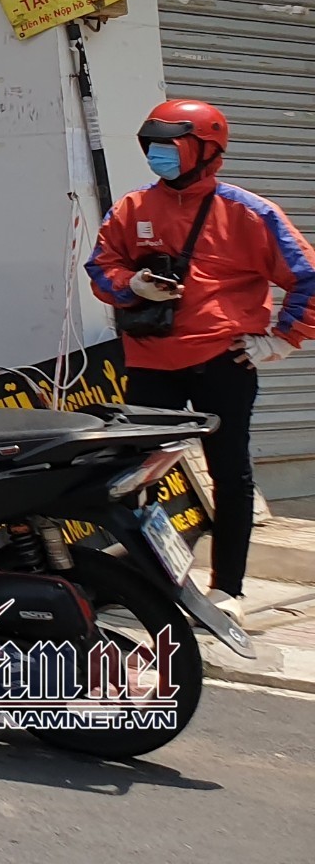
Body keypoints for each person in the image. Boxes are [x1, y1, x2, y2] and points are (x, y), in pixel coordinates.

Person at [88, 98, 315, 599]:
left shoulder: (250, 214)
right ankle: (148, 582)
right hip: (150, 361)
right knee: (133, 477)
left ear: (206, 150)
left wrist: (282, 339)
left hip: (223, 362)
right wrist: (133, 285)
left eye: (170, 146)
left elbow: (308, 277)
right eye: (153, 145)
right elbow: (101, 267)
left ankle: (227, 590)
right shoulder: (132, 208)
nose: (158, 155)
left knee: (229, 473)